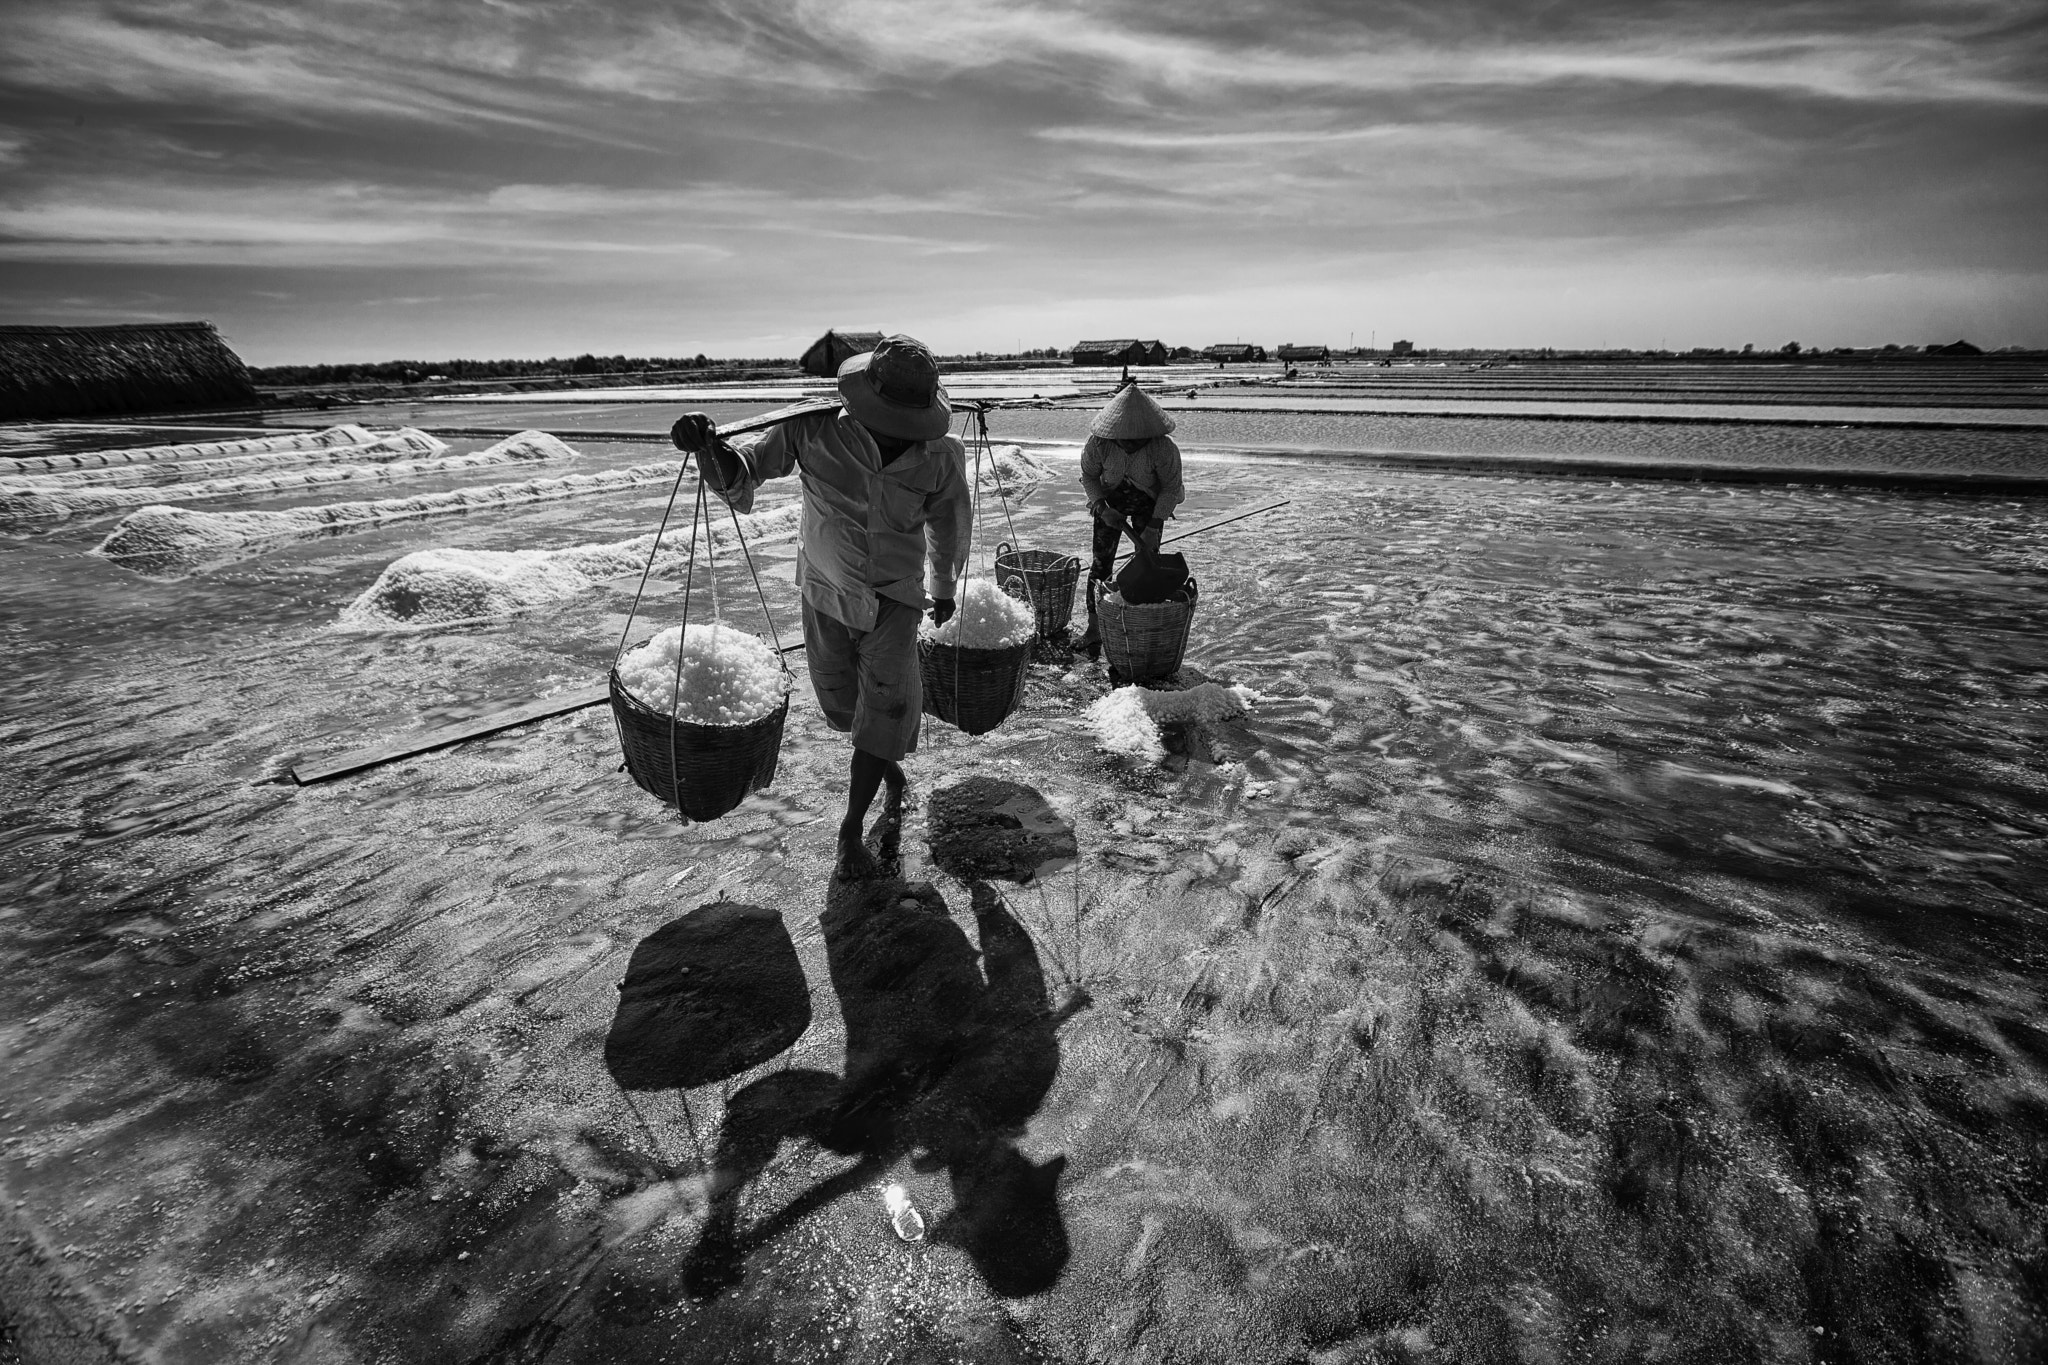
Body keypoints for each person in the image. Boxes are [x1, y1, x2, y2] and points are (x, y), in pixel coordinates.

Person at [670, 335, 971, 880]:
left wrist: (945, 587)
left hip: (896, 600)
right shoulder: (810, 427)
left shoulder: (941, 455)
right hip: (826, 592)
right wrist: (708, 447)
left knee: (883, 713)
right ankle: (886, 768)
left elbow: (949, 526)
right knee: (842, 708)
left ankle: (851, 824)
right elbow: (744, 474)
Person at [1073, 383, 1184, 657]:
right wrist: (1101, 507)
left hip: (1150, 503)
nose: (1130, 443)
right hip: (1110, 501)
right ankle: (1094, 628)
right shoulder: (1100, 444)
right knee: (1101, 563)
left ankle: (1140, 624)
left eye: (1137, 440)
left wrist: (1154, 525)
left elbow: (1171, 487)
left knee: (1147, 562)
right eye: (1125, 439)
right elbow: (1088, 476)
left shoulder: (1162, 448)